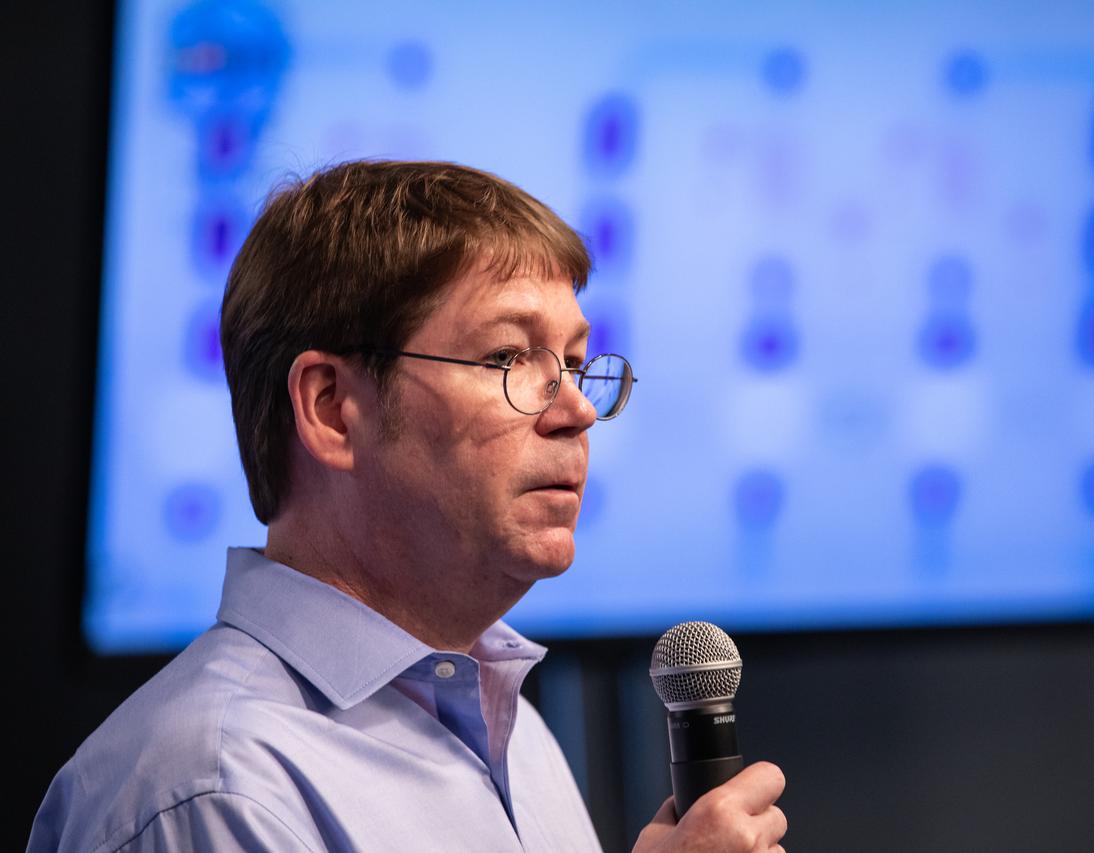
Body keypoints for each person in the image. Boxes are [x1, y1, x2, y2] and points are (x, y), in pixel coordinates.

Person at [28, 161, 787, 852]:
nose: (578, 412)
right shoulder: (214, 786)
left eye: (578, 364)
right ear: (331, 408)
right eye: (505, 359)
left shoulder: (513, 734)